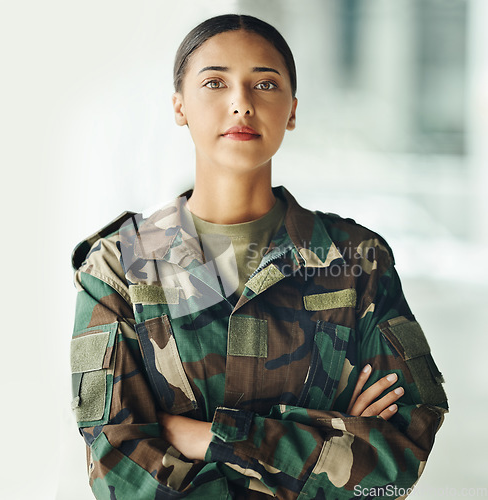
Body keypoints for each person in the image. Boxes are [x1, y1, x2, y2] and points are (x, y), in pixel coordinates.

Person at [70, 14, 448, 500]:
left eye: (264, 83)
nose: (241, 104)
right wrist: (332, 434)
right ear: (180, 105)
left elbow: (398, 458)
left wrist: (206, 436)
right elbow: (118, 466)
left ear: (291, 109)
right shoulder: (120, 266)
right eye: (215, 82)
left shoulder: (357, 260)